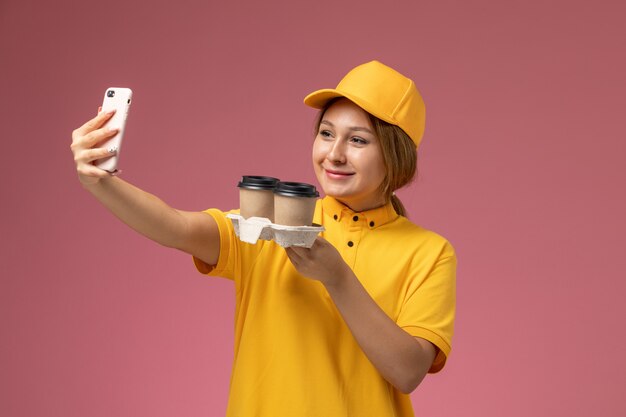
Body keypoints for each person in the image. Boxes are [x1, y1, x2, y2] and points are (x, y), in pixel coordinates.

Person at [71, 60, 456, 417]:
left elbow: (407, 372)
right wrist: (101, 182)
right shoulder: (270, 224)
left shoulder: (428, 253)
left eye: (358, 140)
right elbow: (175, 227)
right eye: (326, 134)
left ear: (396, 155)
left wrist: (337, 278)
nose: (334, 154)